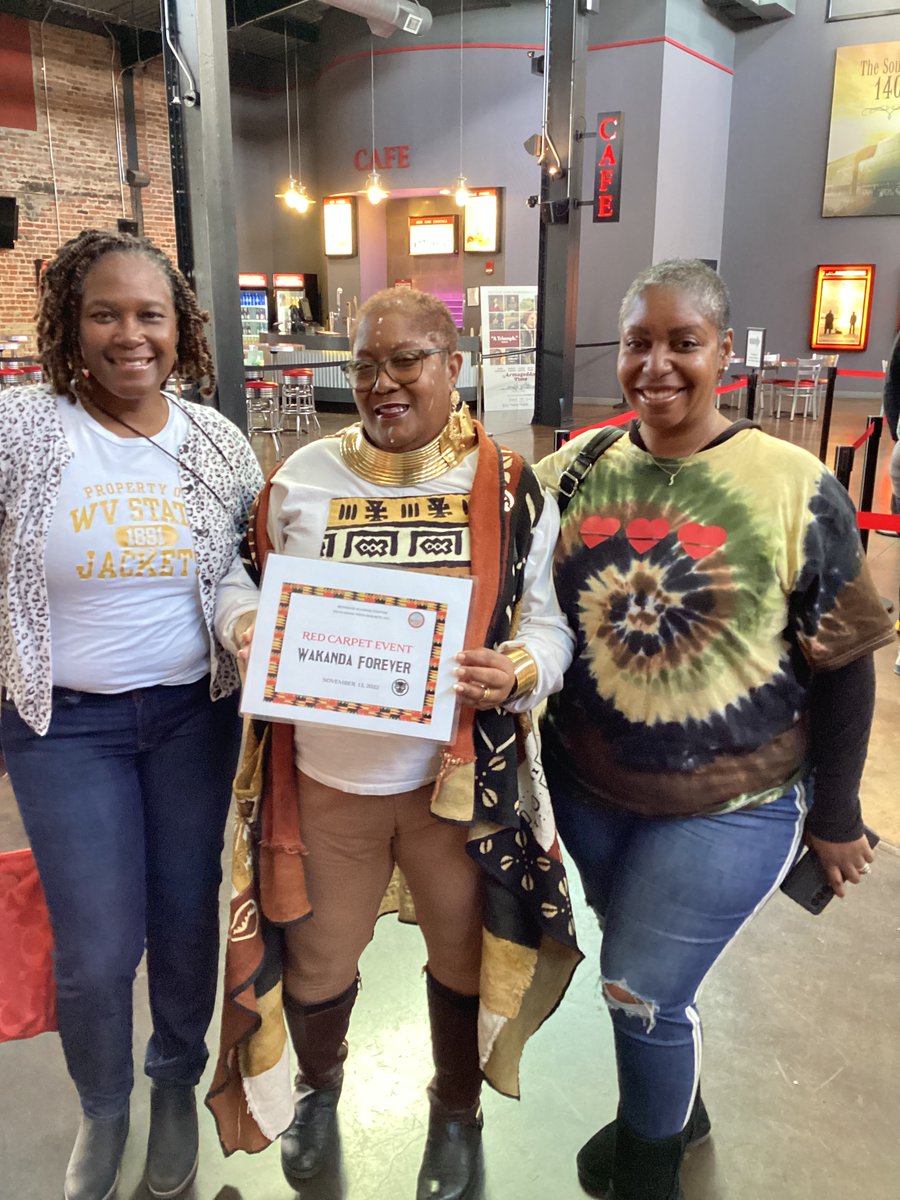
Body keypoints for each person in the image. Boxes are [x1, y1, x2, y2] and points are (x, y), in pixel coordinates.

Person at [209, 287, 581, 1199]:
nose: (383, 383)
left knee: (460, 954)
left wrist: (523, 671)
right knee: (321, 956)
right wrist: (249, 623)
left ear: (454, 366)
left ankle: (457, 1111)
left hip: (453, 787)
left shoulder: (507, 484)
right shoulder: (299, 478)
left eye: (406, 360)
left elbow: (551, 624)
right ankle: (320, 1092)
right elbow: (233, 579)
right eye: (365, 365)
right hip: (326, 780)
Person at [535, 259, 893, 1200]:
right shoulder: (574, 470)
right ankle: (678, 1107)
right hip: (590, 787)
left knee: (641, 987)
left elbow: (846, 657)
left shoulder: (794, 483)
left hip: (737, 800)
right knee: (637, 959)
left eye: (683, 342)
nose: (658, 365)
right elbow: (476, 547)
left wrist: (840, 813)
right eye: (640, 344)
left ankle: (653, 1170)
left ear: (723, 352)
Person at [0, 228, 263, 1200]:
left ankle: (171, 1087)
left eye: (148, 313)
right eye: (104, 312)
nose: (129, 334)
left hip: (195, 719)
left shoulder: (214, 443)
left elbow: (242, 567)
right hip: (63, 727)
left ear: (179, 326)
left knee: (187, 916)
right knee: (101, 945)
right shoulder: (22, 428)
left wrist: (248, 627)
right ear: (71, 321)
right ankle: (103, 1106)